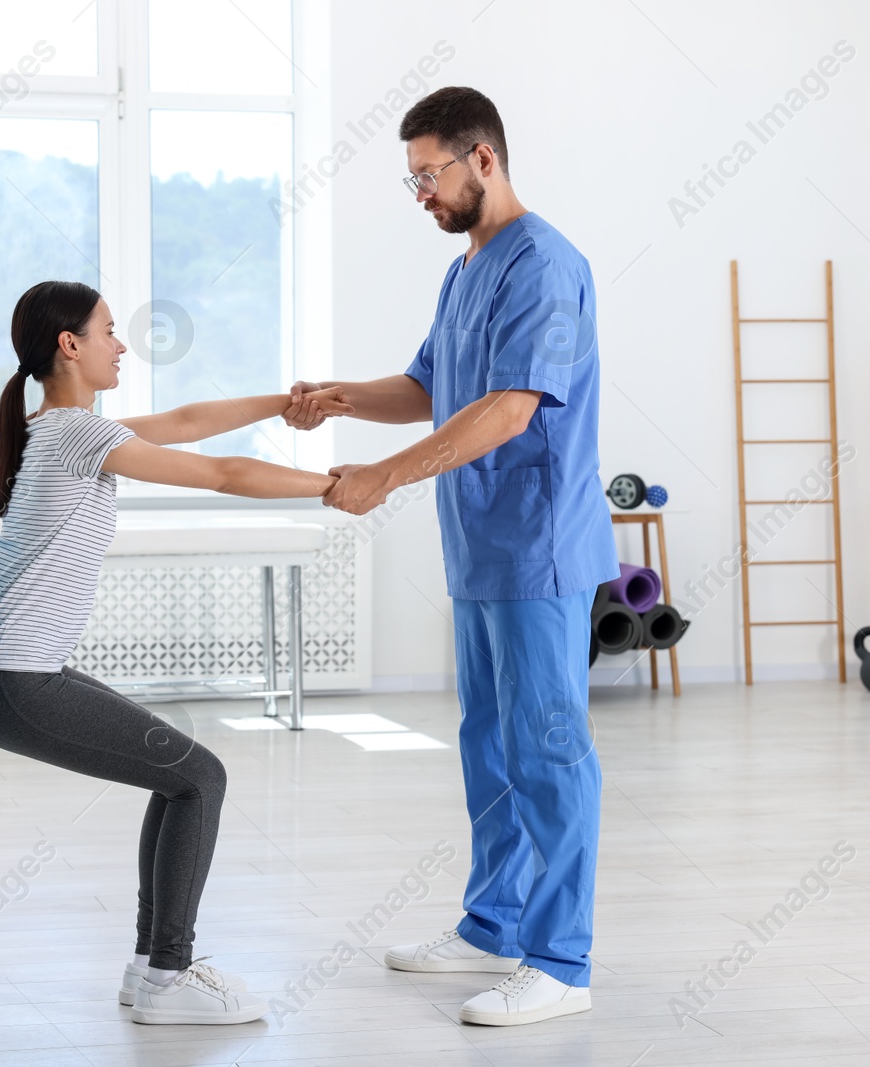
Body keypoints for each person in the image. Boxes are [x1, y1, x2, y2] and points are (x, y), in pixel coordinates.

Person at [285, 86, 616, 1027]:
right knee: (489, 743)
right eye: (411, 180)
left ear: (484, 160)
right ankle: (493, 922)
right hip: (479, 546)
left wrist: (385, 477)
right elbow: (433, 385)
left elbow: (512, 406)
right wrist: (339, 397)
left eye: (430, 174)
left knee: (550, 750)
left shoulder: (546, 265)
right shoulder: (467, 269)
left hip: (540, 546)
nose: (422, 194)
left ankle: (561, 960)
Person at [0, 279, 350, 1026]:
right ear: (69, 345)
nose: (122, 344)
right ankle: (169, 974)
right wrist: (334, 487)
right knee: (199, 778)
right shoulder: (77, 434)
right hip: (16, 681)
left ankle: (152, 969)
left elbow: (187, 420)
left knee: (182, 778)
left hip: (19, 677)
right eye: (109, 330)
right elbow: (223, 472)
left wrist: (285, 401)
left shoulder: (59, 426)